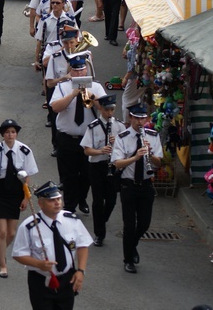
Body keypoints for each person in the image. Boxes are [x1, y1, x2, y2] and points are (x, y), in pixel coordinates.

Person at [12, 181, 92, 310]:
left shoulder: (72, 220)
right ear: (41, 204)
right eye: (51, 200)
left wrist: (81, 271)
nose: (57, 203)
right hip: (41, 281)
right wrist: (39, 264)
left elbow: (83, 245)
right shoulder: (29, 226)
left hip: (67, 280)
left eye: (59, 199)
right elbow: (18, 254)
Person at [49, 53, 107, 213]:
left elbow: (105, 110)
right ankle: (69, 206)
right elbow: (55, 108)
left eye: (82, 71)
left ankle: (82, 199)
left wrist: (93, 98)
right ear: (71, 72)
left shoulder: (95, 86)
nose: (80, 74)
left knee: (87, 174)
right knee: (69, 175)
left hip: (89, 139)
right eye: (77, 71)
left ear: (86, 71)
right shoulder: (62, 87)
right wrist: (73, 94)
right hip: (67, 139)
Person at [0, 119, 38, 277]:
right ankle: (3, 264)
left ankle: (0, 253)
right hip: (0, 193)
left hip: (16, 193)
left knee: (12, 233)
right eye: (7, 132)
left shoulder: (25, 151)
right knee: (2, 232)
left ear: (16, 133)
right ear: (2, 135)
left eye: (13, 132)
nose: (10, 135)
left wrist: (26, 198)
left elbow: (27, 176)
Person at [111, 103, 162, 273]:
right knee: (129, 224)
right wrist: (135, 157)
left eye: (143, 118)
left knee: (145, 224)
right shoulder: (122, 137)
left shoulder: (153, 136)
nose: (140, 122)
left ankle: (132, 247)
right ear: (131, 118)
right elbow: (117, 163)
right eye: (137, 118)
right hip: (128, 185)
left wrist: (150, 153)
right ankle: (128, 260)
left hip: (146, 185)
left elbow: (159, 163)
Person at [80, 95, 126, 247]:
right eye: (107, 110)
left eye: (112, 110)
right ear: (101, 110)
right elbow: (87, 151)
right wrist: (100, 151)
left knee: (112, 200)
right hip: (97, 167)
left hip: (113, 166)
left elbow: (126, 148)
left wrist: (117, 142)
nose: (110, 113)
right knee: (98, 201)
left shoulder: (119, 126)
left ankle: (101, 220)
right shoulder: (93, 127)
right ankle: (99, 234)